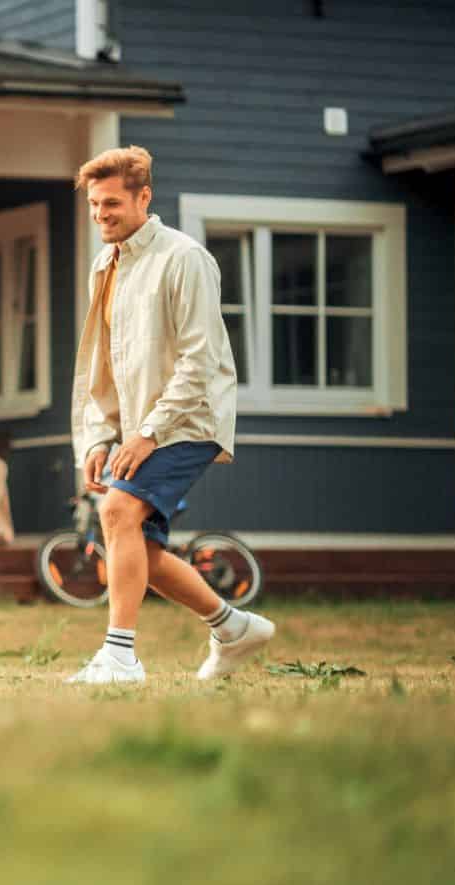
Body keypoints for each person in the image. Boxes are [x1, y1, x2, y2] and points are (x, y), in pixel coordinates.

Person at [65, 145, 275, 685]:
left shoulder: (184, 259)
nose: (100, 215)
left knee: (116, 513)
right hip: (140, 427)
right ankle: (233, 628)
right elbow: (104, 363)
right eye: (93, 205)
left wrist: (148, 434)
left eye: (111, 203)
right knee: (139, 550)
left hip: (188, 419)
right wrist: (98, 437)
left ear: (144, 197)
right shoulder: (105, 267)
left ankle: (119, 657)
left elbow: (200, 360)